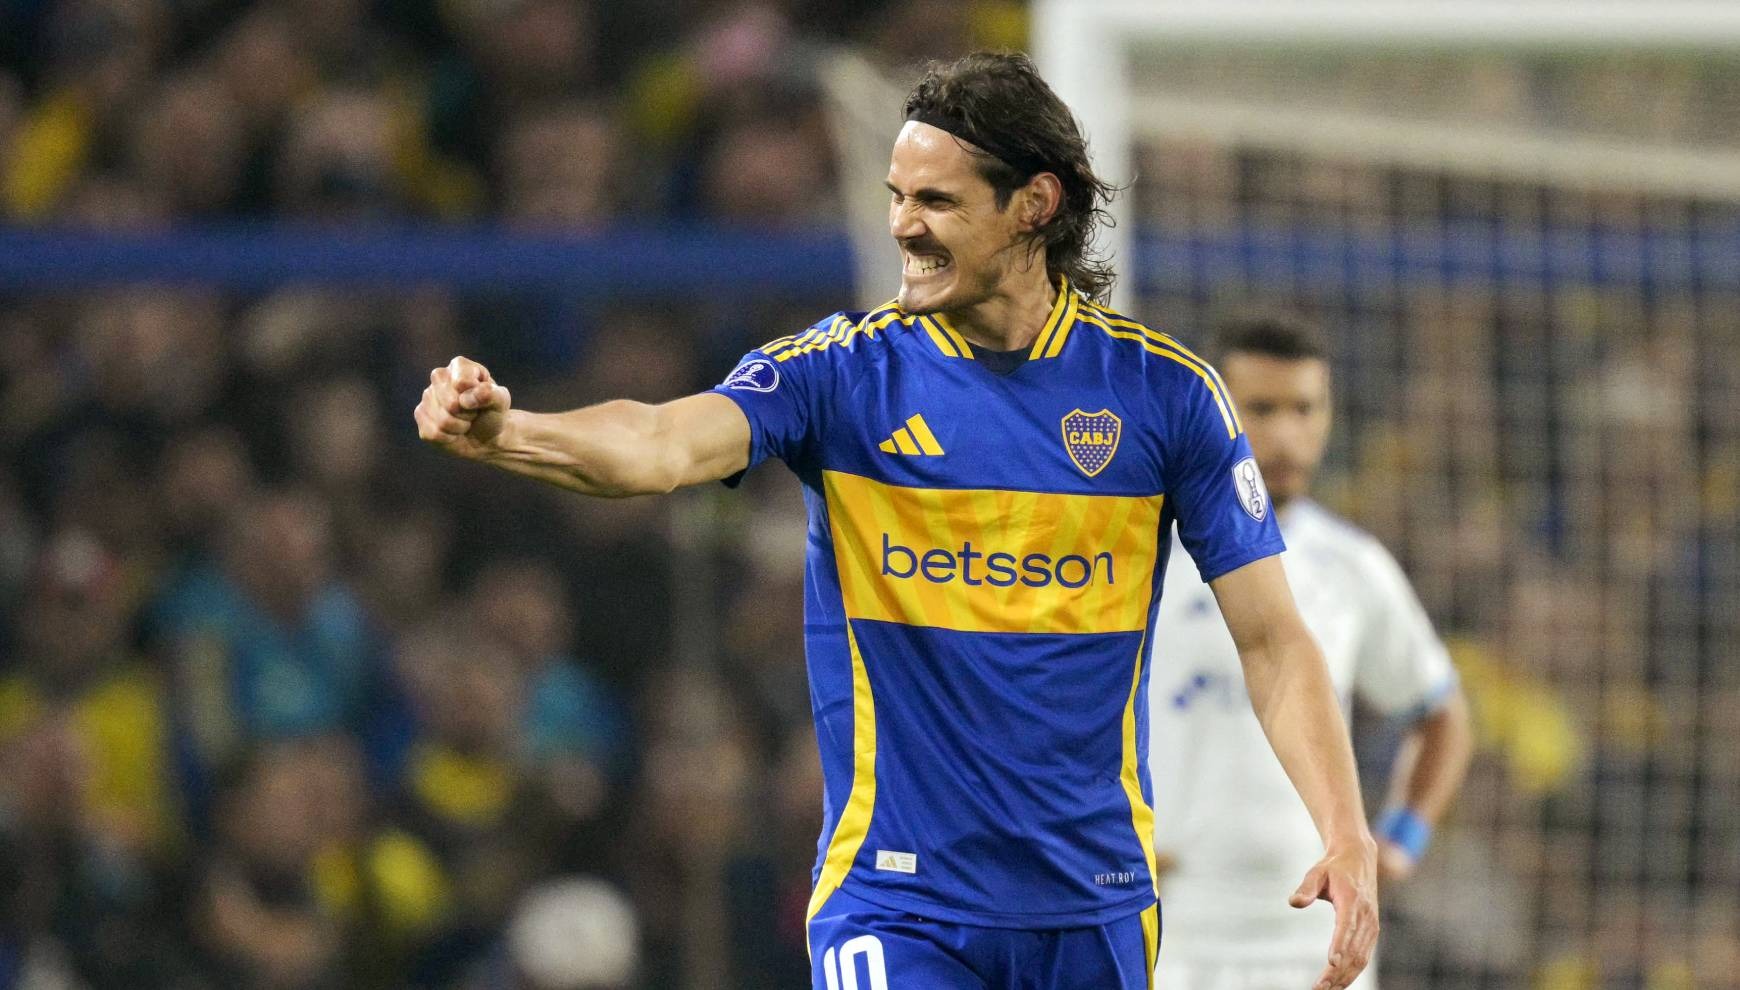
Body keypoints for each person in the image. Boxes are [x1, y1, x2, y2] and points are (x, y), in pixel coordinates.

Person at [416, 52, 1378, 990]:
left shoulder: (1163, 397)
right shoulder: (842, 375)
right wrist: (512, 431)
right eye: (896, 196)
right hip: (896, 902)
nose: (902, 227)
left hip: (1096, 905)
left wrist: (1343, 831)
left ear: (1035, 206)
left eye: (937, 202)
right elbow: (659, 443)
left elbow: (1273, 641)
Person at [1147, 311, 1474, 990]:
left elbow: (1441, 712)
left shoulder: (1351, 565)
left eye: (1306, 408)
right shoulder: (1144, 552)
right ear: (1217, 411)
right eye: (1261, 409)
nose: (1287, 434)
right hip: (1169, 931)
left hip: (1314, 944)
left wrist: (1401, 840)